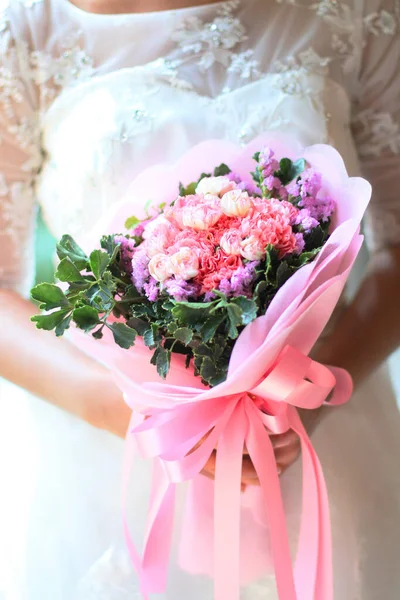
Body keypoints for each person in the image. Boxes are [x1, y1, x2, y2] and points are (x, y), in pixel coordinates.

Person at [0, 0, 399, 597]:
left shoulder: (360, 14)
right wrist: (148, 415)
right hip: (108, 455)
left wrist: (305, 398)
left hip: (318, 423)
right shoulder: (24, 30)